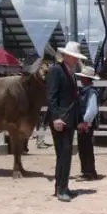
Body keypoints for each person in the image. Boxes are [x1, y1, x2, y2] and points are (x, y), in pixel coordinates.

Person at [45, 41, 86, 202]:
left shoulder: (70, 72)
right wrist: (56, 117)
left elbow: (74, 99)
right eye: (74, 57)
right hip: (61, 119)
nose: (76, 60)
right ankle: (61, 188)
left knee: (66, 154)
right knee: (63, 153)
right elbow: (51, 97)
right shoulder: (57, 71)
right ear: (67, 56)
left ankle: (62, 186)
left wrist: (79, 120)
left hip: (68, 119)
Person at [74, 66, 100, 181]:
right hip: (85, 124)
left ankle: (89, 172)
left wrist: (85, 123)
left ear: (86, 79)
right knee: (84, 147)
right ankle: (87, 171)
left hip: (86, 124)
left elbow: (92, 110)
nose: (81, 79)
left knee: (86, 148)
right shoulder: (87, 91)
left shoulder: (90, 92)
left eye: (83, 77)